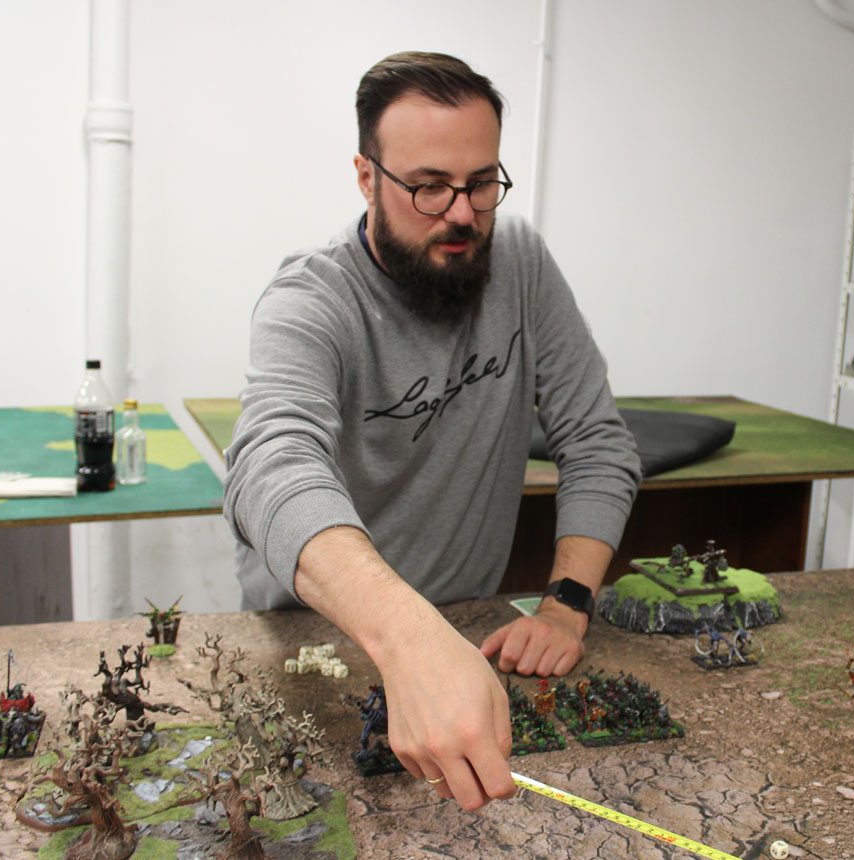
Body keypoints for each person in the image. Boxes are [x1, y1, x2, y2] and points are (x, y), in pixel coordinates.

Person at [224, 51, 640, 810]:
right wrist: (408, 637)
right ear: (366, 177)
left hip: (469, 635)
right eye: (428, 187)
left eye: (481, 183)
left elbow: (596, 441)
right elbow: (270, 468)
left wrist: (566, 602)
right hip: (322, 638)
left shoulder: (520, 264)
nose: (460, 213)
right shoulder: (310, 299)